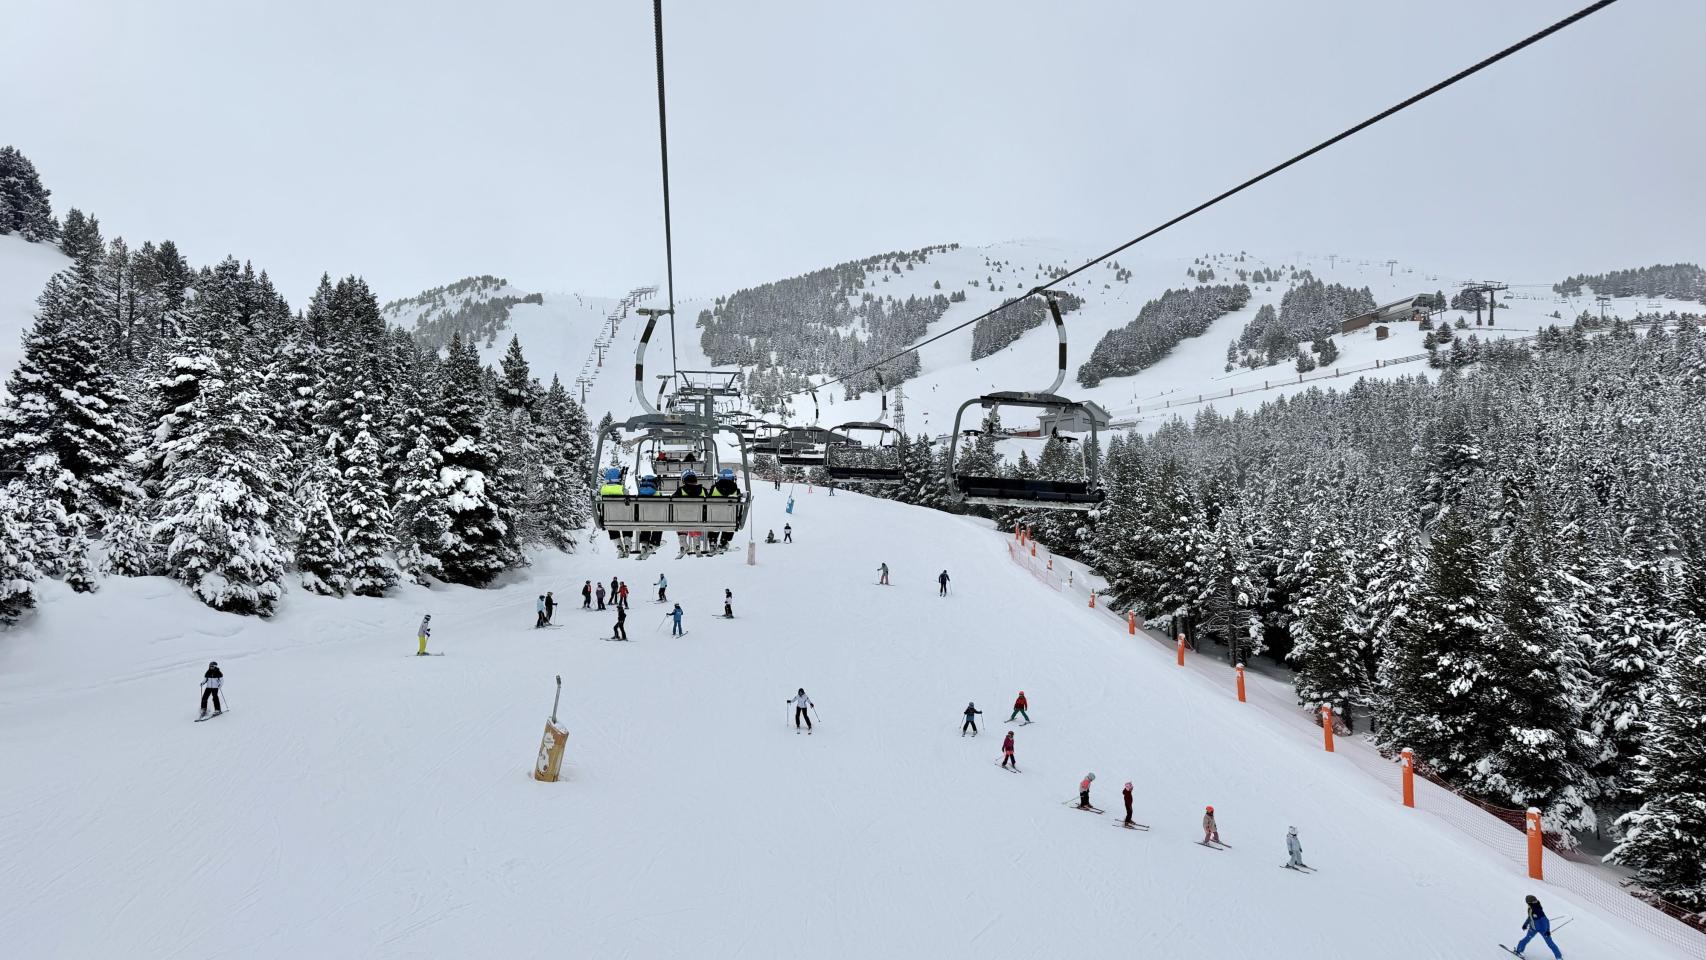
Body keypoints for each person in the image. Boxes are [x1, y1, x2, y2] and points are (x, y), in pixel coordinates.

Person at [1514, 894, 1563, 959]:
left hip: (1543, 930)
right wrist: (1525, 924)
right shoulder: (1530, 908)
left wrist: (1547, 930)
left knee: (1550, 943)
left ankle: (1559, 957)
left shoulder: (1538, 910)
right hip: (1533, 928)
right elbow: (1530, 917)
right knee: (1526, 939)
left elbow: (1546, 921)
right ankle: (1519, 951)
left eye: (1527, 903)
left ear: (1529, 902)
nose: (1527, 904)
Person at [599, 467, 632, 557]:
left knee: (610, 523)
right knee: (627, 522)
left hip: (608, 519)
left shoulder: (602, 490)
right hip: (624, 517)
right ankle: (627, 542)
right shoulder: (622, 490)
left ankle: (618, 545)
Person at [673, 470, 708, 557]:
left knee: (681, 521)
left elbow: (672, 502)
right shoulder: (703, 490)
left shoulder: (680, 490)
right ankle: (697, 546)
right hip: (698, 518)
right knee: (696, 521)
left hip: (683, 518)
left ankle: (683, 544)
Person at [710, 468, 742, 552]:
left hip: (714, 518)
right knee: (729, 519)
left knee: (716, 519)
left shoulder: (714, 489)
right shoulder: (736, 490)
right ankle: (724, 541)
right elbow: (739, 507)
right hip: (730, 519)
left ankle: (713, 540)